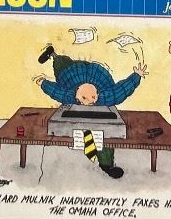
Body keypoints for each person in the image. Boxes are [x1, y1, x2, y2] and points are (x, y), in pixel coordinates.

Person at [34, 42, 146, 181]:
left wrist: (136, 76)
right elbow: (56, 91)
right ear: (76, 95)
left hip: (97, 74)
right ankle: (53, 54)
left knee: (104, 135)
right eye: (83, 99)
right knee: (61, 65)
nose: (87, 103)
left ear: (97, 95)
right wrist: (43, 83)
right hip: (72, 72)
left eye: (92, 99)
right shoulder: (69, 94)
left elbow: (122, 90)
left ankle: (107, 166)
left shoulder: (106, 96)